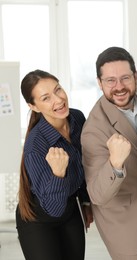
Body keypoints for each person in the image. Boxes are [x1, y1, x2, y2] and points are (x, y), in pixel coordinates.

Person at [80, 47, 137, 260]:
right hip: (124, 217)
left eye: (125, 78)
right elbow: (97, 194)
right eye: (110, 81)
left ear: (136, 76)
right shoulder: (94, 130)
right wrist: (115, 163)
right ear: (99, 83)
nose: (119, 87)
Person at [16, 69, 93, 260]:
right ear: (33, 106)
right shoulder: (36, 146)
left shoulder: (77, 118)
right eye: (46, 98)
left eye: (58, 89)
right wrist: (58, 174)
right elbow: (53, 208)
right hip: (38, 218)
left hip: (69, 209)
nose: (58, 100)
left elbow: (86, 161)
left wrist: (85, 200)